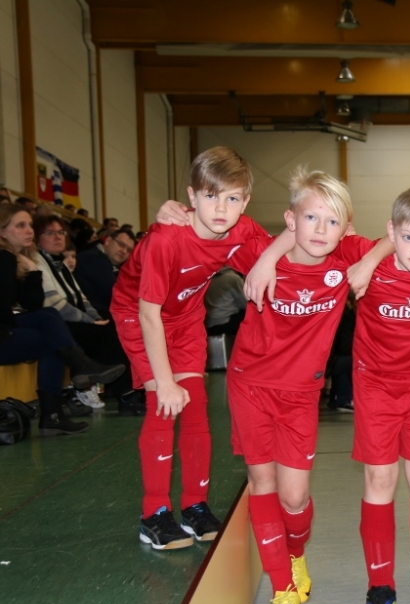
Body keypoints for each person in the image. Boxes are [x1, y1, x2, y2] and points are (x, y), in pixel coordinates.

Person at [249, 185, 410, 604]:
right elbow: (306, 232)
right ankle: (380, 586)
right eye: (407, 238)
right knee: (380, 479)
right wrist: (268, 258)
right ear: (391, 231)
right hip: (376, 387)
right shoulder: (363, 253)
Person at [110, 146, 269, 551]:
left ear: (245, 202)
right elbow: (148, 314)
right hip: (141, 316)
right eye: (211, 196)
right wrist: (164, 381)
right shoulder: (165, 240)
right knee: (164, 405)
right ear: (192, 196)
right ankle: (154, 514)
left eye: (232, 198)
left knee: (195, 405)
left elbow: (280, 252)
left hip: (184, 318)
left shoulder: (241, 230)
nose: (221, 208)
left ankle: (194, 506)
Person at [225, 167, 361, 604]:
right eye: (311, 218)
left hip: (300, 395)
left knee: (295, 495)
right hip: (250, 386)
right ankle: (282, 589)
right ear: (290, 219)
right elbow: (209, 221)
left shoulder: (344, 260)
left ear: (346, 229)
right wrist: (172, 213)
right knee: (262, 483)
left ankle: (295, 554)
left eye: (333, 221)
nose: (321, 230)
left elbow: (400, 241)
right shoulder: (256, 252)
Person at [0, 203, 124, 435]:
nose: (29, 230)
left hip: (6, 327)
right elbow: (3, 307)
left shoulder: (18, 259)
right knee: (52, 337)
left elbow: (32, 303)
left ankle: (73, 378)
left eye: (29, 225)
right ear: (3, 232)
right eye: (20, 225)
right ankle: (54, 412)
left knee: (49, 318)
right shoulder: (4, 258)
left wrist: (32, 270)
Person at [31, 214, 137, 412]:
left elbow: (82, 298)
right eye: (50, 233)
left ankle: (128, 391)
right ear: (37, 237)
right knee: (111, 331)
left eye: (61, 233)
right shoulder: (37, 260)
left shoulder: (60, 264)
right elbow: (52, 303)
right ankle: (125, 394)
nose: (58, 237)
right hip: (56, 322)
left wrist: (94, 318)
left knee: (111, 326)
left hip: (68, 319)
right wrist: (89, 320)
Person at [75, 228, 136, 319]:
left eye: (129, 250)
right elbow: (116, 295)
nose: (124, 251)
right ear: (108, 241)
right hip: (92, 318)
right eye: (121, 244)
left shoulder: (109, 262)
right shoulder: (93, 259)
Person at [203, 267, 247, 336]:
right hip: (225, 322)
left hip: (208, 324)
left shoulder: (209, 279)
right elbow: (245, 303)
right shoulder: (233, 278)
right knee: (253, 315)